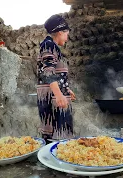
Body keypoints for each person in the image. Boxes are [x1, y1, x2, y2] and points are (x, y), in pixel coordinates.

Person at [36, 14, 76, 143]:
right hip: (52, 99)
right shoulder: (48, 45)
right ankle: (53, 160)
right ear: (60, 32)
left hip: (55, 96)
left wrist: (66, 89)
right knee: (56, 136)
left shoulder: (52, 46)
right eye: (66, 34)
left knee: (58, 135)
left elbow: (56, 72)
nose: (67, 38)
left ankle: (56, 158)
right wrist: (59, 94)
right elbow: (47, 72)